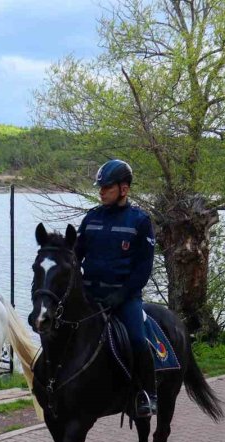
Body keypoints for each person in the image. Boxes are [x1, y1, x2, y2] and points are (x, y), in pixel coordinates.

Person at [74, 159, 157, 418]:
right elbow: (76, 256)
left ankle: (147, 394)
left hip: (124, 299)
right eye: (100, 187)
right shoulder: (91, 218)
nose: (101, 192)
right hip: (90, 298)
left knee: (137, 339)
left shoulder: (140, 221)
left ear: (124, 189)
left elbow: (143, 269)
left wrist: (121, 295)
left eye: (107, 187)